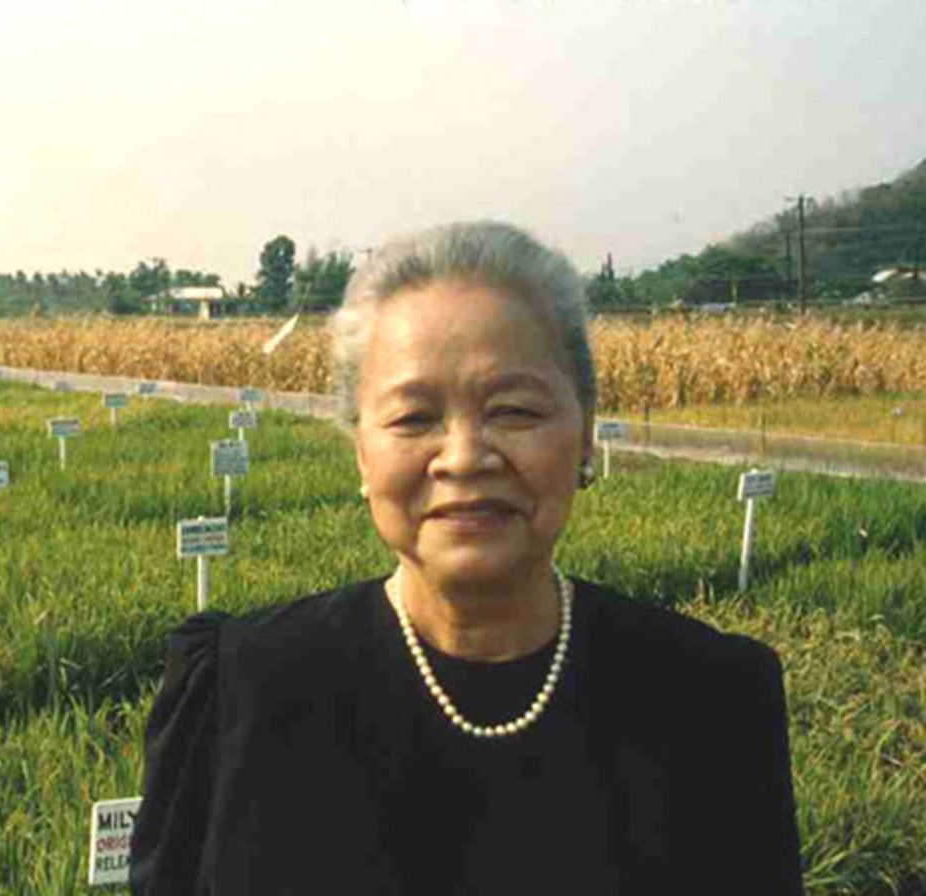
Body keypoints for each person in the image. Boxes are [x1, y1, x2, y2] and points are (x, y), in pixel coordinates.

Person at [129, 221, 805, 895]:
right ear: (361, 451)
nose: (463, 457)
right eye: (413, 418)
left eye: (512, 410)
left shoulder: (710, 701)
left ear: (586, 435)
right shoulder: (238, 691)